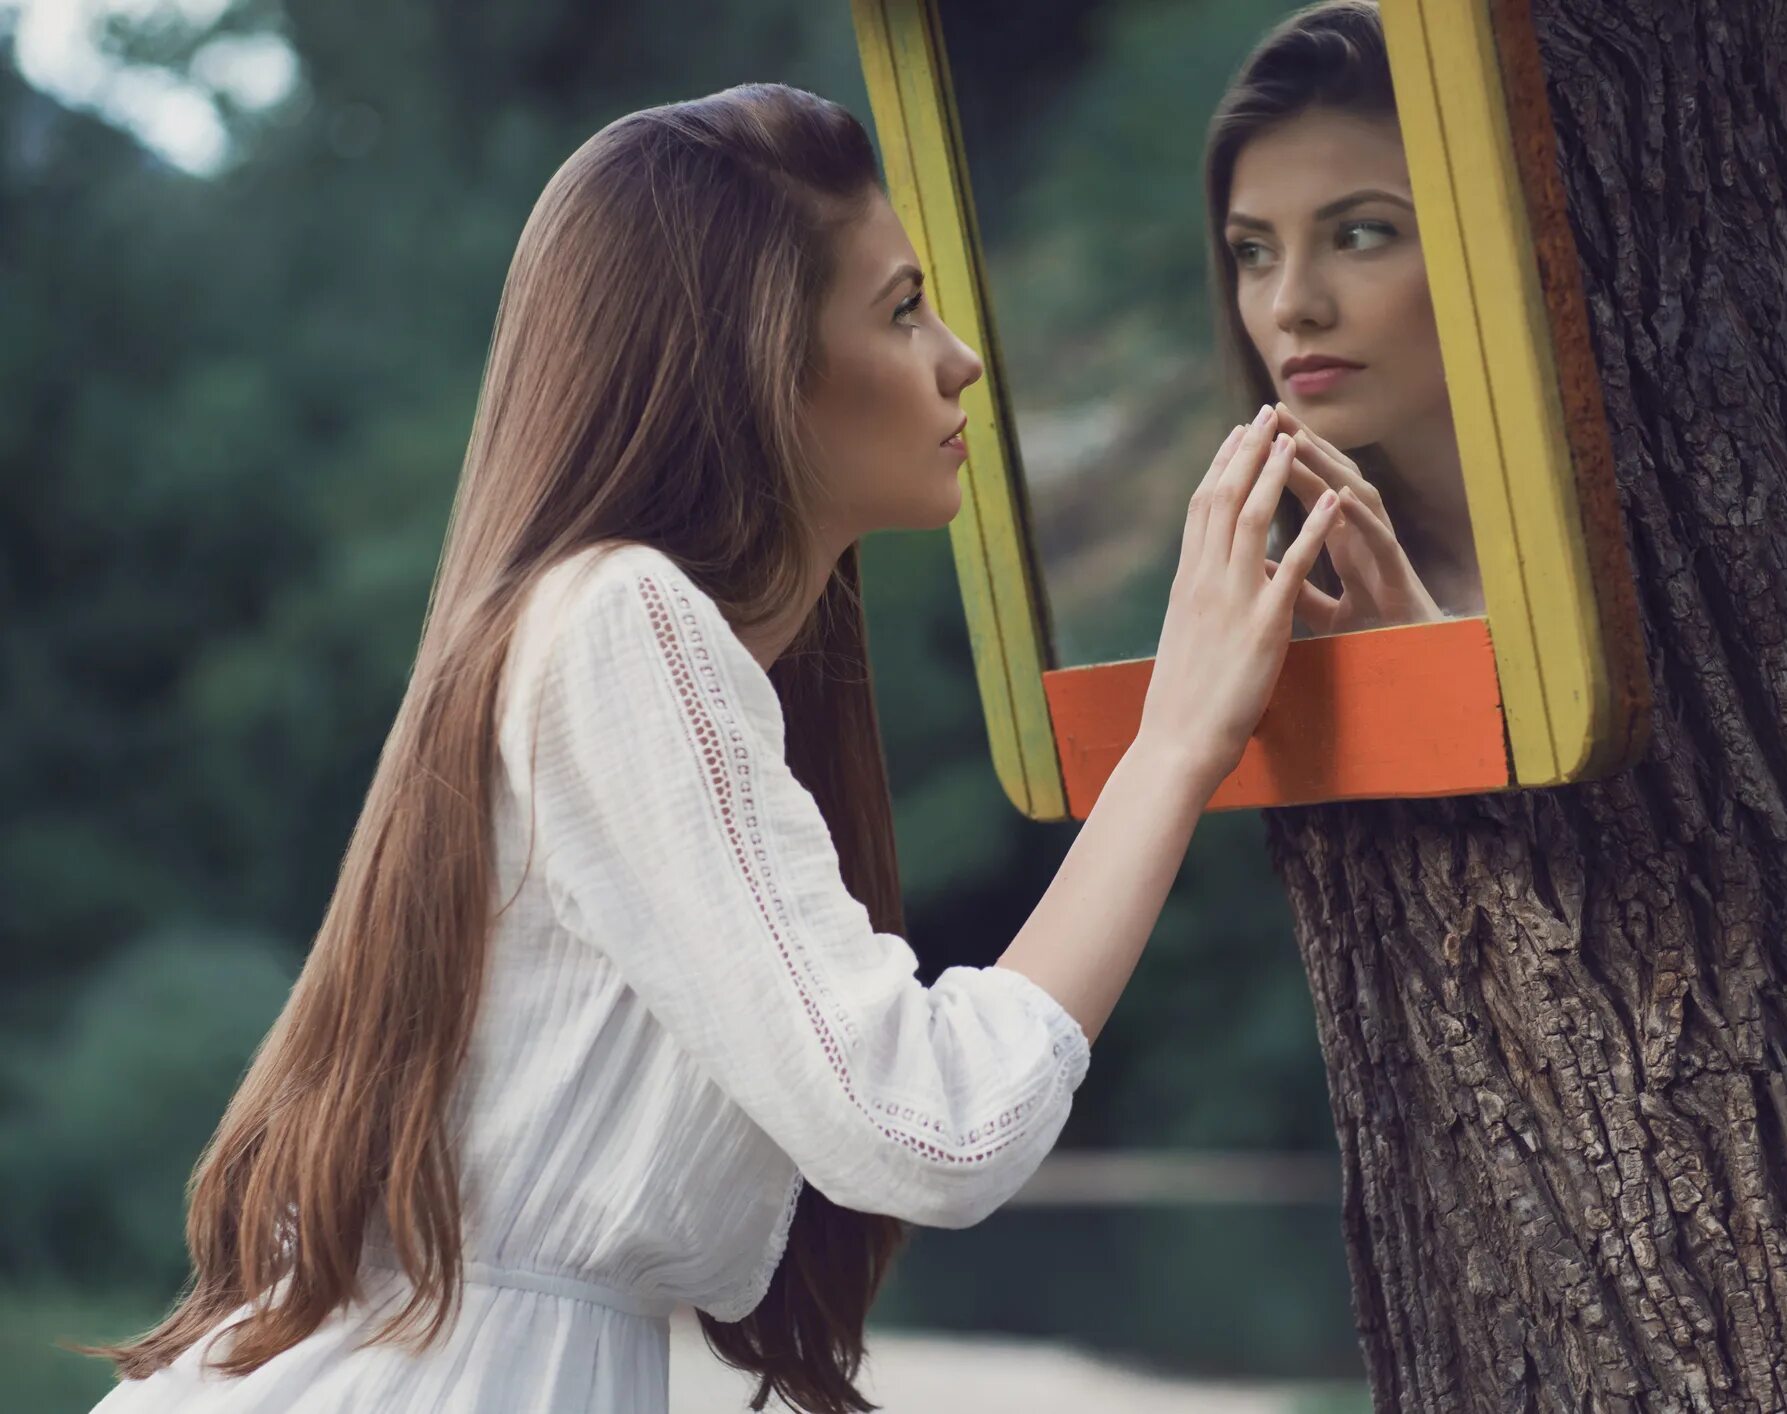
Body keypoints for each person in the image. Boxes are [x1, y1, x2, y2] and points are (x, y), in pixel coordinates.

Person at [81, 86, 1342, 1414]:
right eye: (903, 307)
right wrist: (1176, 742)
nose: (960, 357)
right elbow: (931, 1119)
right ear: (759, 364)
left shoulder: (620, 639)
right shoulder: (623, 620)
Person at [1206, 0, 1485, 628]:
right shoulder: (1276, 605)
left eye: (1361, 234)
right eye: (1254, 251)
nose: (1291, 306)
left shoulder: (1684, 541)